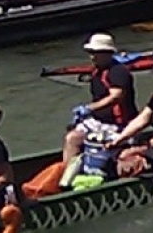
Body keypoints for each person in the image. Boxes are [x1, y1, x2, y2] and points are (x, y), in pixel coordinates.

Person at [58, 33, 137, 187]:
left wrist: (88, 108)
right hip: (98, 122)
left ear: (107, 53)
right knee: (72, 137)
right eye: (91, 53)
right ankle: (66, 175)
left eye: (96, 53)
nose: (92, 57)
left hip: (119, 125)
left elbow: (116, 96)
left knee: (101, 147)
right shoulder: (97, 72)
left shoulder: (118, 71)